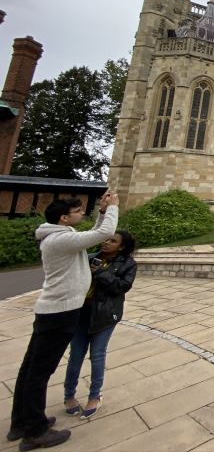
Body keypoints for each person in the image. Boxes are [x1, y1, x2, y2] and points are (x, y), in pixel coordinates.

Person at [7, 193, 119, 451]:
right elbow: (104, 234)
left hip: (51, 311)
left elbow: (93, 231)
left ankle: (21, 422)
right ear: (64, 217)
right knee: (40, 372)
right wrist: (112, 208)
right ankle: (34, 432)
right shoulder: (61, 239)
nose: (82, 213)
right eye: (78, 211)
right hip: (60, 312)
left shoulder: (59, 236)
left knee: (30, 368)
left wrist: (101, 213)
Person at [63, 230, 137, 419]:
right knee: (76, 355)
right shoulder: (88, 258)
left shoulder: (128, 264)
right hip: (80, 313)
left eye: (112, 241)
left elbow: (121, 287)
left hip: (105, 315)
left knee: (97, 355)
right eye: (106, 239)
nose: (106, 243)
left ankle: (94, 396)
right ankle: (69, 395)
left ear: (121, 246)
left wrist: (102, 273)